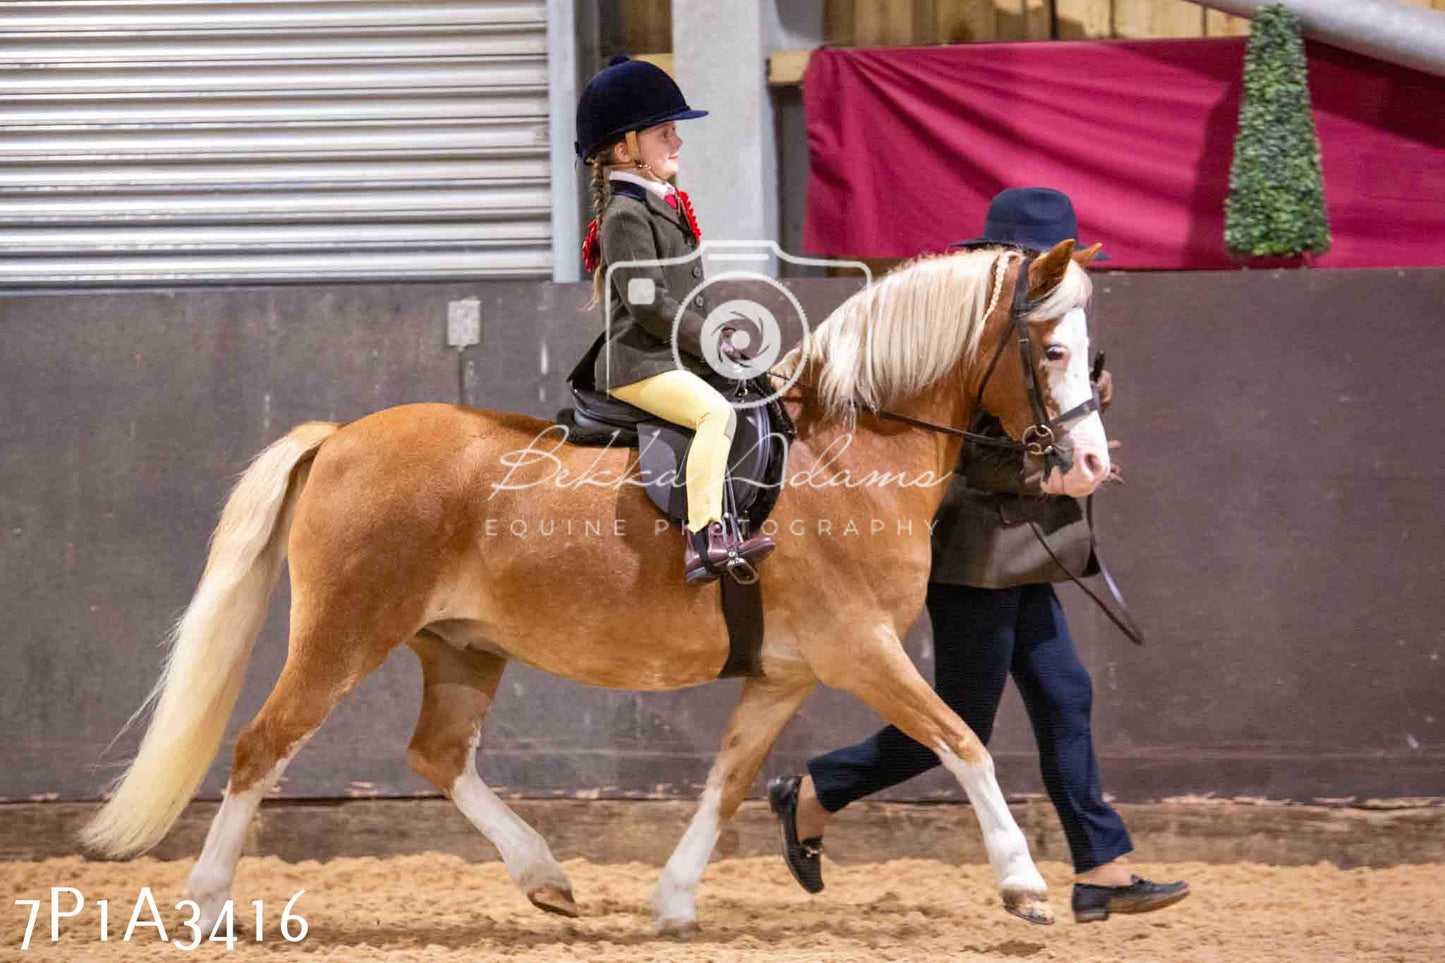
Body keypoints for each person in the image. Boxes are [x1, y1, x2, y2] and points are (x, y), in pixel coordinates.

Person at [767, 188, 1189, 924]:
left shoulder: (1032, 329)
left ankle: (1100, 868)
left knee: (1064, 695)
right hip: (971, 549)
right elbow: (962, 457)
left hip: (1026, 544)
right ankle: (814, 791)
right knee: (959, 718)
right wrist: (1049, 459)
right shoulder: (961, 333)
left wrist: (1079, 425)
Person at [570, 56, 773, 584]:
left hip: (671, 352)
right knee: (714, 415)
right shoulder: (624, 215)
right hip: (640, 363)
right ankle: (705, 538)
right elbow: (648, 303)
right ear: (624, 149)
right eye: (664, 133)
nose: (677, 142)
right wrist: (709, 339)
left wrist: (720, 335)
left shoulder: (660, 202)